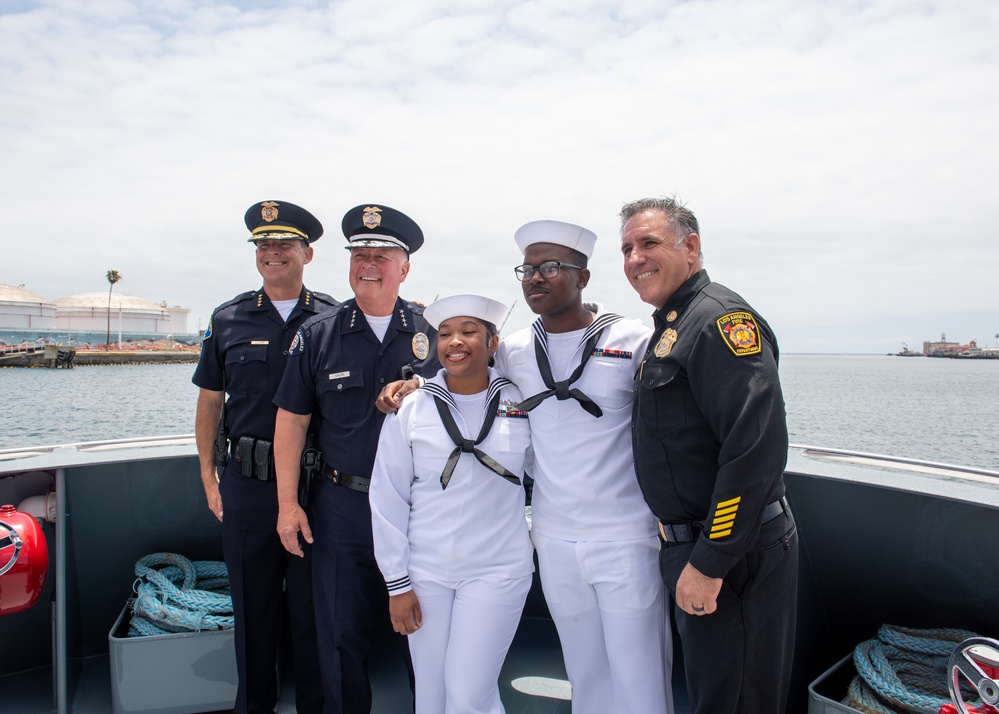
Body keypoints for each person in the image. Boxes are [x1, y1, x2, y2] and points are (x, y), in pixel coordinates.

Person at [379, 220, 673, 714]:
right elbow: (464, 378)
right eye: (529, 269)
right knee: (585, 670)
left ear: (582, 276)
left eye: (552, 267)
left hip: (625, 534)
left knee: (640, 671)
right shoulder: (514, 350)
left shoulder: (634, 340)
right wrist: (410, 386)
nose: (536, 277)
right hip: (554, 539)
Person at [619, 196, 798, 714]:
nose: (635, 259)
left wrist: (711, 561)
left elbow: (755, 450)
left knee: (735, 701)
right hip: (694, 549)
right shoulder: (674, 325)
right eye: (627, 248)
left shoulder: (720, 322)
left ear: (690, 247)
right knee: (715, 694)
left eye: (649, 243)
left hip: (729, 556)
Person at [272, 203, 440, 714]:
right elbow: (291, 422)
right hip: (343, 507)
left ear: (404, 267)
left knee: (425, 636)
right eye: (360, 254)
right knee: (339, 638)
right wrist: (287, 506)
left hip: (420, 511)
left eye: (382, 255)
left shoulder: (435, 334)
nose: (369, 264)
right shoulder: (318, 335)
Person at [193, 199, 337, 714]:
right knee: (252, 611)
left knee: (313, 611)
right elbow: (211, 401)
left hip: (316, 488)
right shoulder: (228, 318)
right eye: (263, 245)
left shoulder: (335, 319)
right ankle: (253, 706)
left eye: (284, 244)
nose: (272, 253)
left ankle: (316, 706)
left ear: (308, 253)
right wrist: (210, 478)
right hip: (247, 485)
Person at [369, 294, 534, 714]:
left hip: (498, 570)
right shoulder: (411, 407)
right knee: (432, 694)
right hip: (426, 573)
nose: (455, 342)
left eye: (469, 331)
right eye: (444, 334)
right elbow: (387, 497)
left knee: (468, 693)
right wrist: (397, 583)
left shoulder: (522, 403)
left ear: (493, 342)